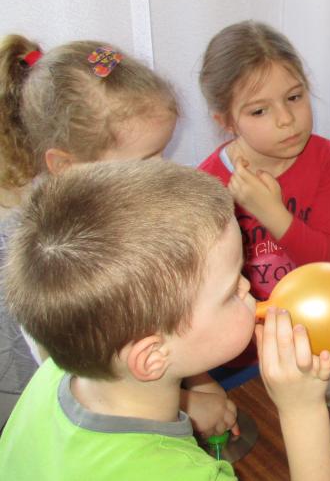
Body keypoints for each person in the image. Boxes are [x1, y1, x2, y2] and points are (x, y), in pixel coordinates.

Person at [0, 160, 330, 480]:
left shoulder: (55, 374)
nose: (248, 286)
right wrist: (302, 410)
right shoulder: (185, 474)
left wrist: (187, 402)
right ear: (151, 357)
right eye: (230, 291)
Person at [0, 36, 192, 428]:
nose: (164, 171)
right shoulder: (51, 254)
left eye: (164, 152)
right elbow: (80, 385)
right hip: (52, 414)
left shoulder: (120, 203)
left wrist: (198, 380)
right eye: (146, 161)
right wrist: (187, 400)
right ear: (66, 166)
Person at [198, 21, 330, 307]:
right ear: (226, 122)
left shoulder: (322, 155)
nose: (286, 119)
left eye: (294, 97)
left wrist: (271, 212)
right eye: (259, 111)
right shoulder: (206, 185)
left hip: (312, 309)